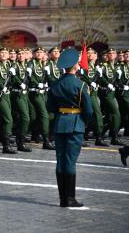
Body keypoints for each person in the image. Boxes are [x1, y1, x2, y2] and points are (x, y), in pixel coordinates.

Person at [47, 48, 93, 207]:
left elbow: (50, 107)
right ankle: (70, 198)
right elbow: (88, 110)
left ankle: (62, 199)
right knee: (70, 161)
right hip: (75, 124)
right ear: (74, 66)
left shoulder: (55, 84)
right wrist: (83, 123)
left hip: (60, 123)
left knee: (60, 161)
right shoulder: (81, 85)